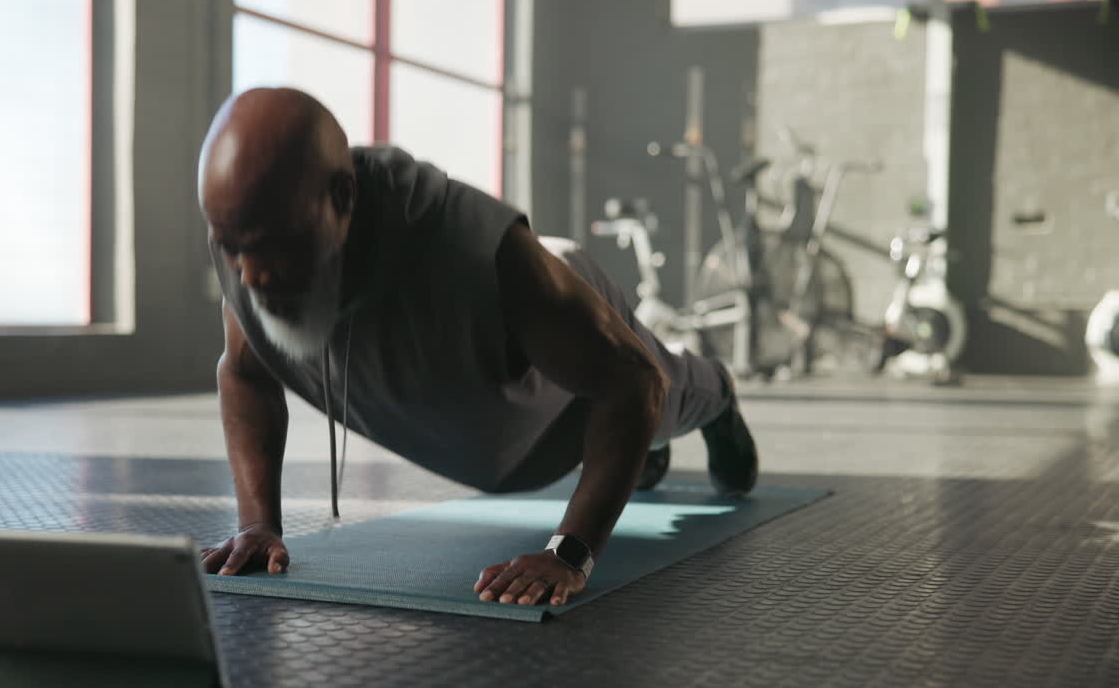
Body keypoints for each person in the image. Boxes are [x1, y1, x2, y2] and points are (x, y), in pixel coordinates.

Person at [196, 87, 758, 607]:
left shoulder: (477, 256)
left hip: (557, 364)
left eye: (273, 246)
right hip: (495, 425)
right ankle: (637, 451)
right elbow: (246, 374)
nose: (251, 277)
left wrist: (570, 553)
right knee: (630, 432)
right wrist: (257, 524)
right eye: (232, 248)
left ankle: (718, 394)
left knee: (659, 401)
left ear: (344, 198)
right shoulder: (249, 237)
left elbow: (633, 383)